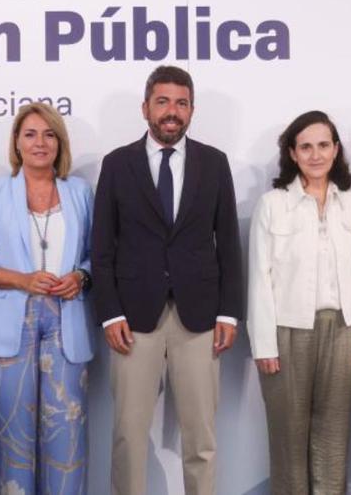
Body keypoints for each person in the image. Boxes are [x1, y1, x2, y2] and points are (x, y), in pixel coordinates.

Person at [92, 65, 242, 495]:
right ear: (145, 108)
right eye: (163, 102)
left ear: (192, 110)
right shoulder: (117, 164)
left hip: (200, 317)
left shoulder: (214, 163)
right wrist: (109, 313)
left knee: (202, 440)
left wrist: (229, 313)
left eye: (181, 103)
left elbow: (229, 243)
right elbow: (101, 248)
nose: (171, 112)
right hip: (133, 320)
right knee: (128, 437)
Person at [0, 102, 95, 494]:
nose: (40, 142)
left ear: (60, 142)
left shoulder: (80, 191)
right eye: (31, 134)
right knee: (13, 438)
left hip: (66, 321)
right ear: (17, 143)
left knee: (67, 437)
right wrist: (22, 279)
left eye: (49, 134)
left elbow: (96, 256)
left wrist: (81, 276)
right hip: (10, 326)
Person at [248, 110, 351, 495]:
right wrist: (265, 345)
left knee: (333, 437)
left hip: (344, 330)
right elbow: (260, 277)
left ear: (336, 150)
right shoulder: (272, 204)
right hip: (288, 331)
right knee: (288, 437)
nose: (316, 154)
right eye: (306, 146)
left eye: (323, 145)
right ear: (292, 152)